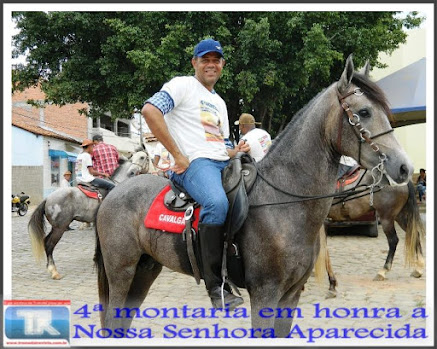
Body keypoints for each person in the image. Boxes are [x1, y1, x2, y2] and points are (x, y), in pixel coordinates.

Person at [142, 38, 250, 310]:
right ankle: (216, 286)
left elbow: (221, 144)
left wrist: (236, 151)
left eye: (216, 60)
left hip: (220, 163)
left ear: (222, 64)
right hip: (194, 166)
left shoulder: (220, 103)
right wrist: (178, 155)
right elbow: (150, 110)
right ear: (195, 63)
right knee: (216, 203)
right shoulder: (182, 85)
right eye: (205, 59)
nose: (211, 64)